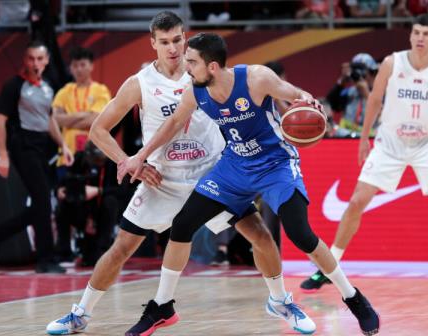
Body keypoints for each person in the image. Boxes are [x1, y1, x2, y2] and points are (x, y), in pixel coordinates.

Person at [46, 11, 315, 336]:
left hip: (212, 177)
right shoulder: (140, 83)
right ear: (153, 44)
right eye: (164, 42)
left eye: (177, 40)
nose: (172, 48)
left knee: (261, 236)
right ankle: (80, 314)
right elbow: (99, 130)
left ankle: (281, 301)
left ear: (185, 38)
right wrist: (129, 161)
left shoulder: (206, 73)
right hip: (163, 179)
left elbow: (256, 96)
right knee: (120, 248)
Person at [118, 32, 381, 336]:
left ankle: (353, 297)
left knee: (301, 234)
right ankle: (162, 306)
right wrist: (141, 155)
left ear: (213, 66)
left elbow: (292, 91)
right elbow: (174, 123)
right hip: (234, 167)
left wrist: (305, 99)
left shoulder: (256, 78)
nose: (186, 67)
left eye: (192, 61)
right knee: (182, 225)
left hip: (275, 165)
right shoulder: (195, 91)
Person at [300, 14, 428, 295]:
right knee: (357, 201)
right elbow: (373, 99)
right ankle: (328, 268)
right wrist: (363, 138)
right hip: (390, 142)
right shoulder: (392, 63)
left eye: (426, 33)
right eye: (416, 32)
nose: (420, 37)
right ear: (411, 36)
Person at [0, 40, 73, 274]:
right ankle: (45, 260)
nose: (35, 63)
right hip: (22, 146)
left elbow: (49, 119)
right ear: (25, 60)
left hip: (43, 147)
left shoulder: (48, 87)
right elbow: (0, 120)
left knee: (42, 204)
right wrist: (2, 154)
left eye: (40, 59)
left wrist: (63, 145)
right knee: (41, 199)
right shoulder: (14, 86)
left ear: (47, 60)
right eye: (31, 59)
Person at [52, 46, 111, 166]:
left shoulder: (101, 90)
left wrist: (68, 120)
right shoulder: (64, 91)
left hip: (93, 154)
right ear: (70, 69)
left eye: (83, 65)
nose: (79, 69)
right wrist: (85, 115)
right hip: (67, 155)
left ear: (91, 66)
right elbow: (54, 119)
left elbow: (96, 119)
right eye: (75, 65)